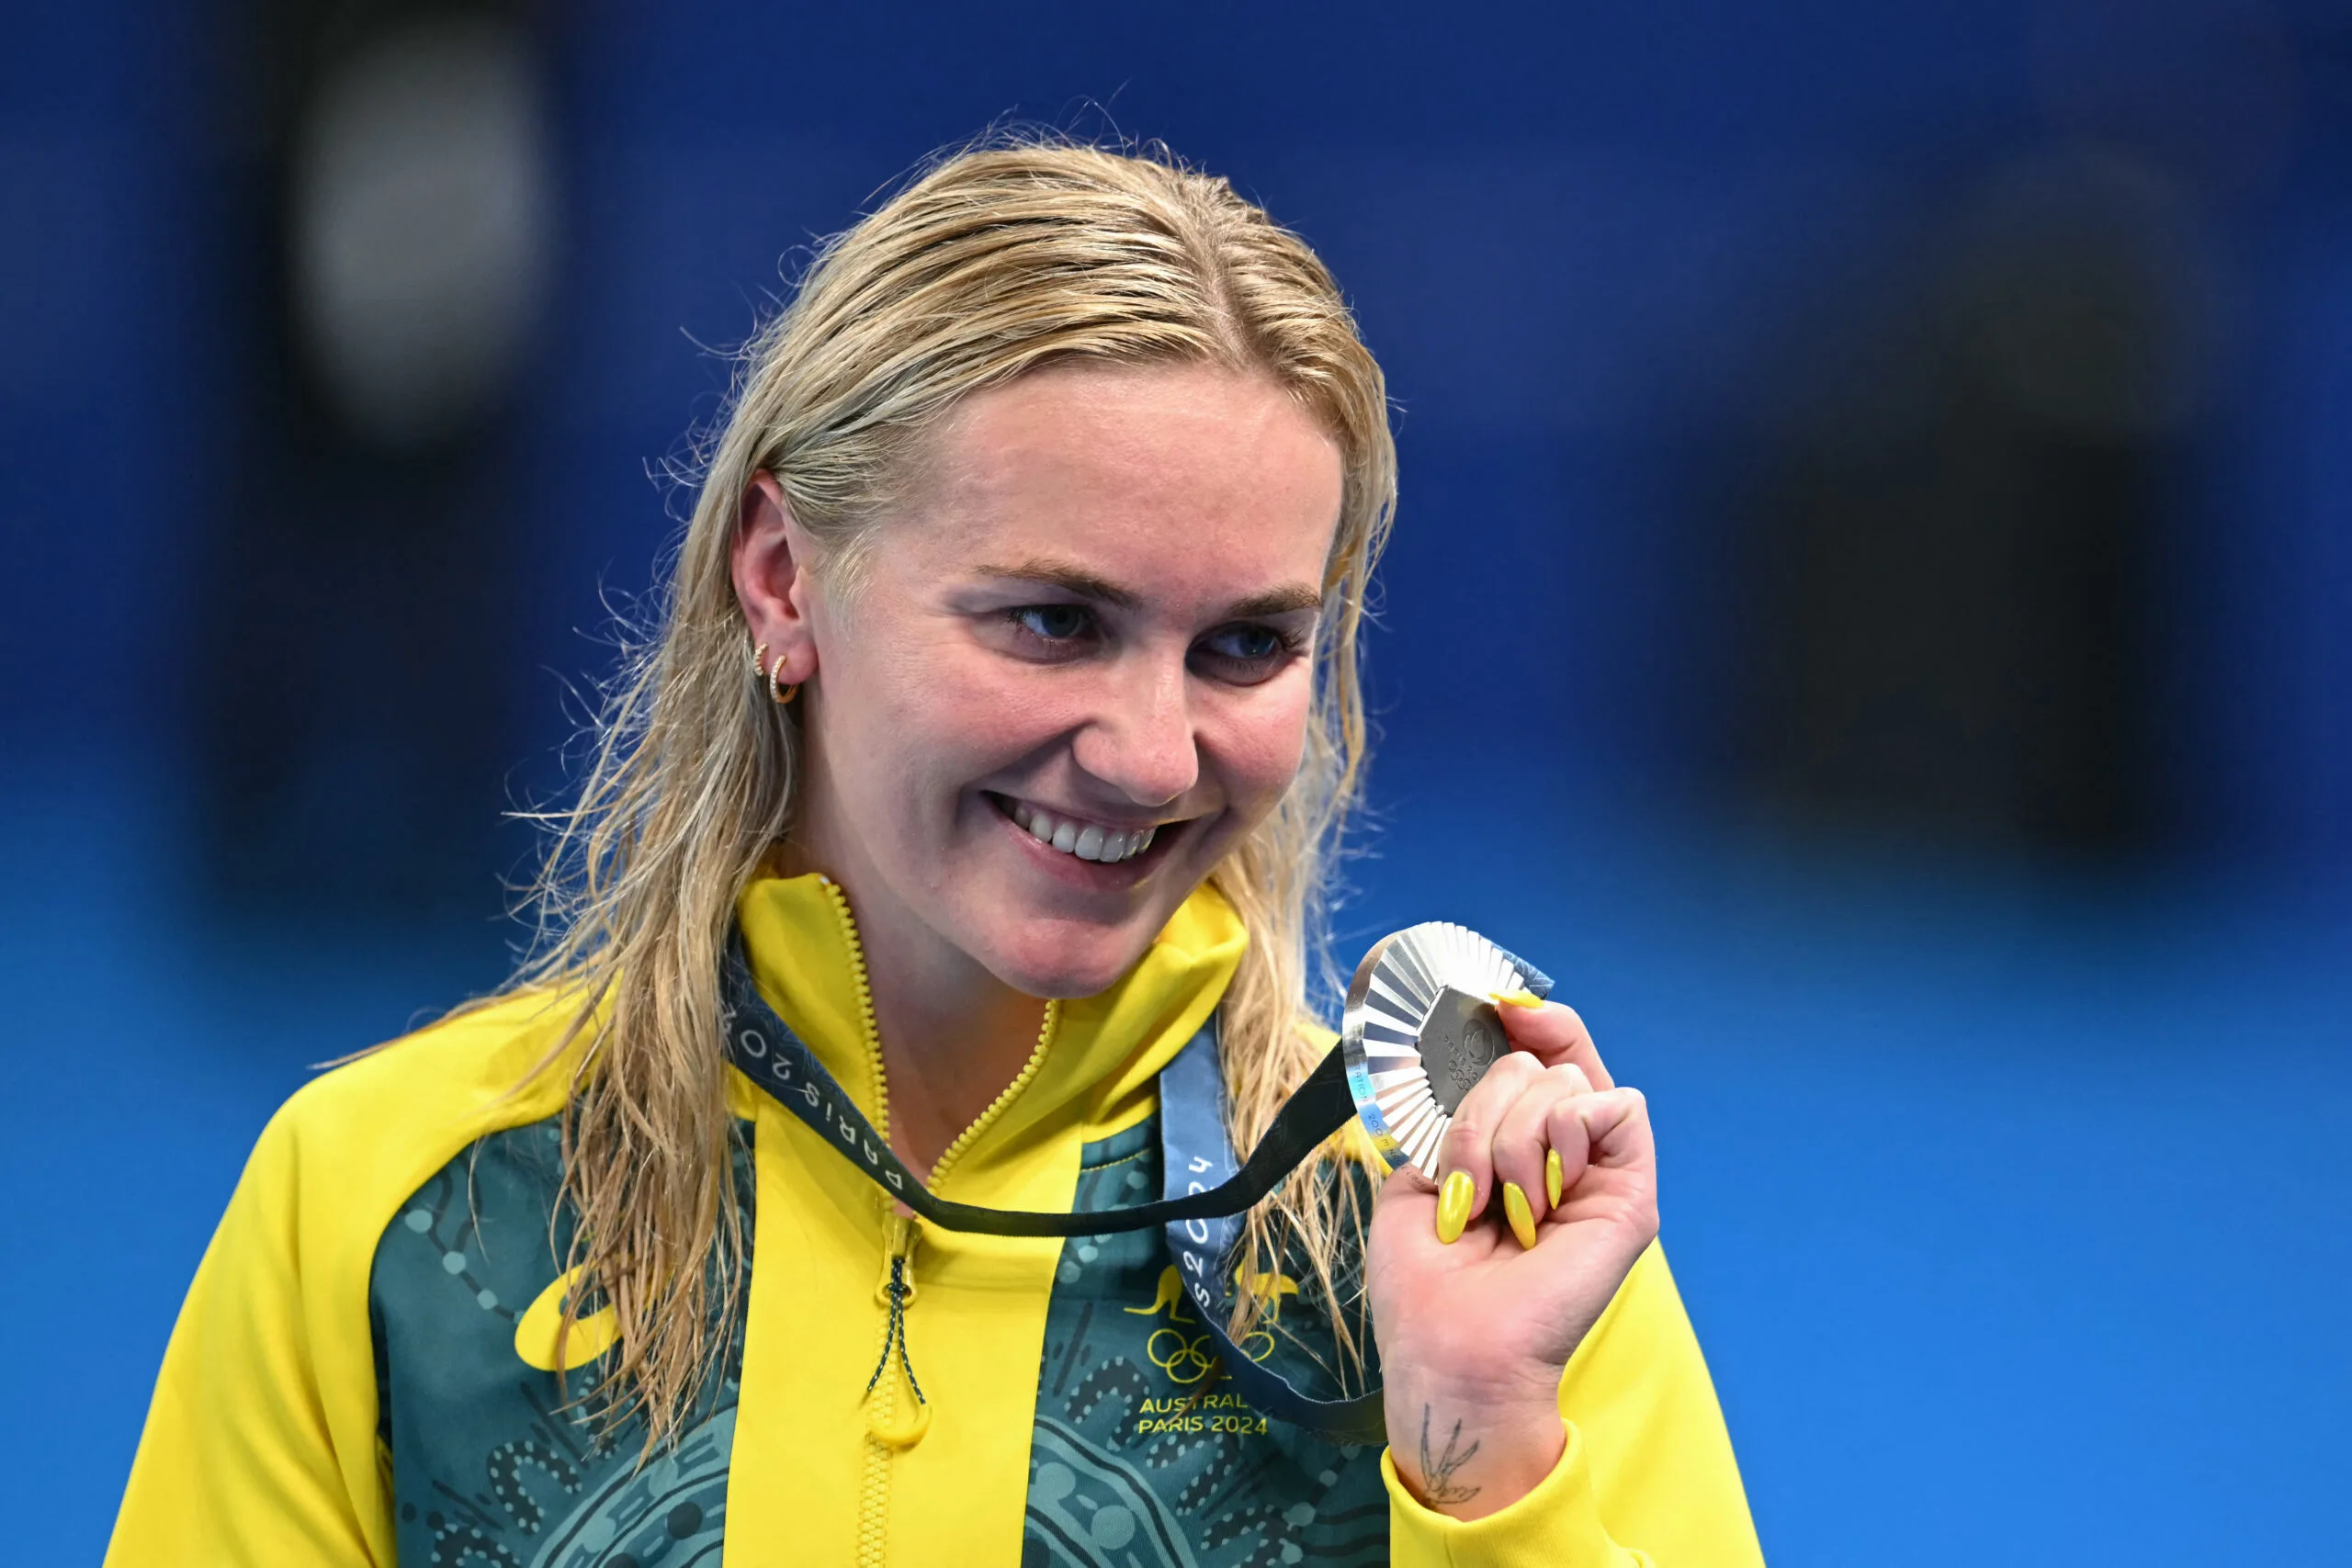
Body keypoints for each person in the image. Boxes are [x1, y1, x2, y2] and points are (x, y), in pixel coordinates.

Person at [107, 140, 1763, 1567]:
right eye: (1053, 620)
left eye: (1248, 646)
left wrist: (1479, 1450)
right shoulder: (393, 1206)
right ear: (780, 577)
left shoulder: (1462, 1243)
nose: (1150, 751)